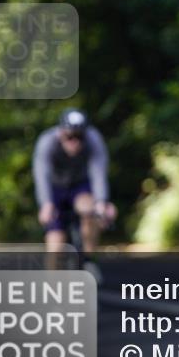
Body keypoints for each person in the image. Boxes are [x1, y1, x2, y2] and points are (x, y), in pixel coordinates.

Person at [33, 109, 116, 256]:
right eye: (70, 137)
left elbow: (98, 173)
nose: (75, 142)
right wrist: (45, 203)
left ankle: (89, 259)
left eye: (80, 137)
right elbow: (41, 174)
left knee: (91, 211)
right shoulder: (47, 141)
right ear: (61, 133)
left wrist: (101, 202)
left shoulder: (93, 139)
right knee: (56, 241)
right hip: (55, 188)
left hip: (79, 186)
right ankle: (53, 276)